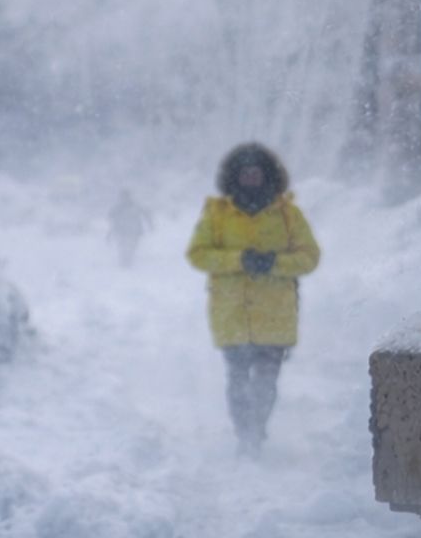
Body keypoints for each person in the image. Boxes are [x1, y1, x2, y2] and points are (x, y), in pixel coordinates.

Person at [184, 143, 319, 457]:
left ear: (268, 174)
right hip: (231, 313)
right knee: (238, 378)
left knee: (266, 381)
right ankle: (244, 432)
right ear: (235, 176)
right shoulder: (217, 214)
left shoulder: (288, 214)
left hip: (276, 314)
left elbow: (309, 257)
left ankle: (258, 428)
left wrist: (274, 263)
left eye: (256, 172)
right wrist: (239, 260)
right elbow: (198, 254)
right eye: (245, 173)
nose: (251, 178)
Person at [107, 188, 154, 268]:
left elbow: (146, 214)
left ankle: (128, 261)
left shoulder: (135, 206)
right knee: (122, 247)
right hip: (122, 231)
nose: (124, 198)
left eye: (126, 196)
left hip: (134, 231)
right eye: (123, 197)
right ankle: (124, 261)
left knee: (131, 247)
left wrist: (150, 224)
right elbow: (111, 217)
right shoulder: (118, 208)